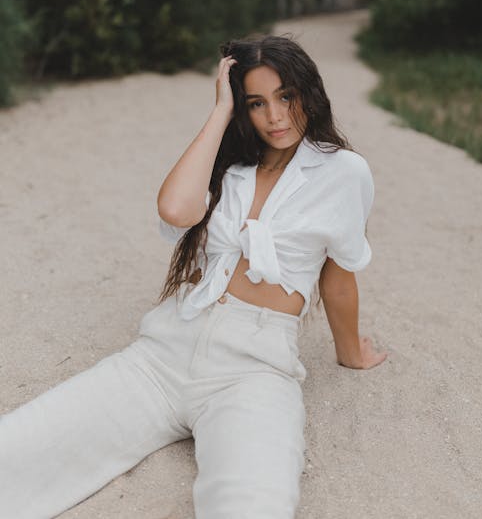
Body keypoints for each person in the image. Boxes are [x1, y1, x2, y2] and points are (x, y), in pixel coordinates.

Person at [0, 34, 387, 519]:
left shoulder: (345, 173)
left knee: (254, 502)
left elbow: (338, 276)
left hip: (254, 369)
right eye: (256, 103)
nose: (275, 117)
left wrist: (350, 353)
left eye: (286, 97)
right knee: (19, 445)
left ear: (309, 92)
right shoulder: (231, 165)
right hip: (164, 353)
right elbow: (176, 208)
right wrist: (221, 111)